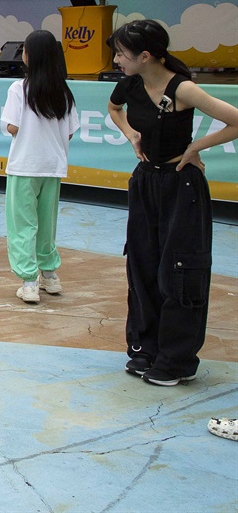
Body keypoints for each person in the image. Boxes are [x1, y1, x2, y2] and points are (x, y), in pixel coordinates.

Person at [107, 20, 238, 386]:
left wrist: (195, 147)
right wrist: (131, 134)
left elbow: (235, 121)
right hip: (145, 183)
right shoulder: (131, 83)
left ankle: (176, 359)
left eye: (121, 53)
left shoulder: (183, 88)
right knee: (143, 265)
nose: (117, 59)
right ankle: (146, 348)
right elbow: (114, 107)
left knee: (178, 271)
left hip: (182, 187)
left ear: (145, 56)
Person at [1, 30, 78, 306]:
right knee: (46, 223)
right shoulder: (64, 90)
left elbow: (12, 126)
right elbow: (69, 132)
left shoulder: (19, 89)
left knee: (23, 224)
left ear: (28, 55)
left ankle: (29, 282)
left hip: (24, 165)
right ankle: (50, 275)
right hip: (52, 167)